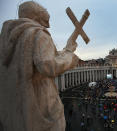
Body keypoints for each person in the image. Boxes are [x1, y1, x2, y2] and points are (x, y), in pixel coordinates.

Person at [0, 1, 79, 131]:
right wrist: (69, 56)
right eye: (45, 18)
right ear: (37, 16)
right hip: (39, 105)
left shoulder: (9, 39)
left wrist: (66, 49)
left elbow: (41, 57)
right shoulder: (38, 34)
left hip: (15, 108)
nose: (48, 25)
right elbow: (48, 65)